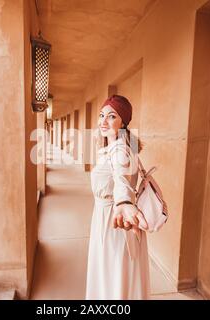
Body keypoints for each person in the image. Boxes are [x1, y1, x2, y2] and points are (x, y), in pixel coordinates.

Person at [85, 94, 150, 300]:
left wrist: (123, 202)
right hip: (105, 219)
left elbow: (121, 181)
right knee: (112, 277)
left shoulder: (120, 150)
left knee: (113, 278)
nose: (103, 121)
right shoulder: (114, 147)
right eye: (102, 115)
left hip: (115, 223)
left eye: (111, 116)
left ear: (123, 122)